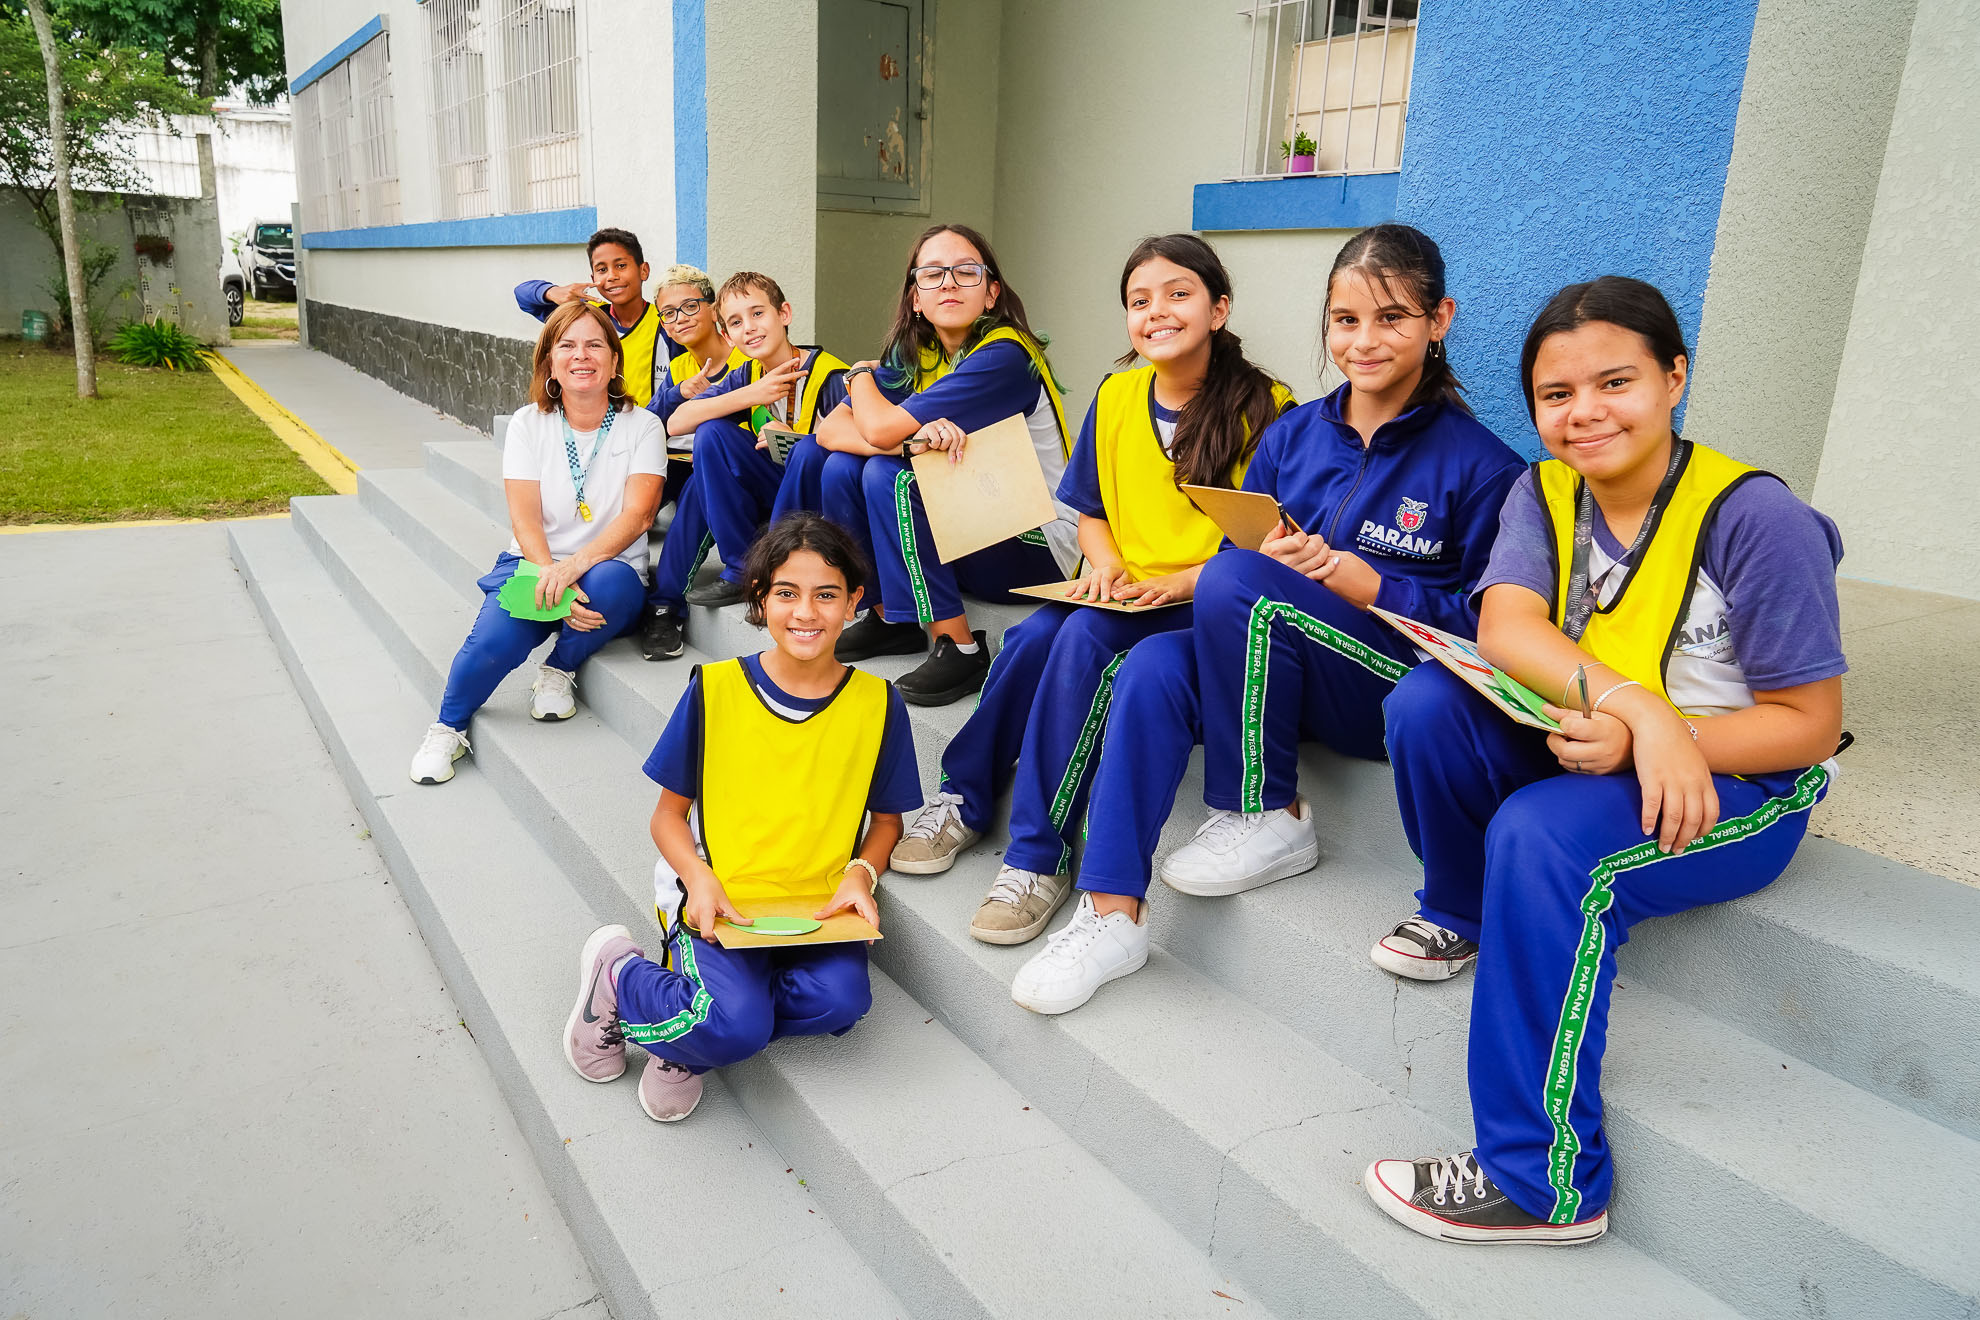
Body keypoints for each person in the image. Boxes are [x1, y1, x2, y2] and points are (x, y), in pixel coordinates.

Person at [1363, 276, 1846, 1245]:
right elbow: (1506, 626)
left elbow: (1808, 724)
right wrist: (1634, 713)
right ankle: (1462, 913)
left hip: (1740, 782)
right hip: (1609, 739)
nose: (1584, 412)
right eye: (1556, 394)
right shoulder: (1545, 493)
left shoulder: (1756, 518)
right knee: (1425, 706)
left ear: (1675, 378)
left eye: (1614, 382)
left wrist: (1670, 736)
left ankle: (1545, 1181)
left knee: (1540, 837)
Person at [1009, 224, 1523, 1015]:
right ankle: (1112, 912)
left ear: (1439, 320)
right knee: (1152, 666)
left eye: (1392, 318)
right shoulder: (1295, 434)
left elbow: (1490, 628)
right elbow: (1234, 559)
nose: (1364, 341)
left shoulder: (1483, 467)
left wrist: (1372, 586)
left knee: (1240, 578)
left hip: (1387, 687)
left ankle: (1266, 808)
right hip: (1278, 673)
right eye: (1346, 320)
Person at [890, 234, 1294, 948]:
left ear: (1219, 308)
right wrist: (1103, 565)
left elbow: (1264, 542)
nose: (1156, 312)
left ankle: (1035, 860)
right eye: (1139, 301)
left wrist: (1179, 581)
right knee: (1029, 641)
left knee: (1073, 640)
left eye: (1178, 294)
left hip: (1201, 607)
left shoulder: (1267, 408)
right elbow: (1092, 513)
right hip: (1121, 594)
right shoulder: (1117, 394)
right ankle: (965, 796)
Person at [559, 513, 922, 1122]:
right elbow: (667, 818)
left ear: (854, 601)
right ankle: (622, 977)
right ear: (760, 598)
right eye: (787, 593)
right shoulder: (715, 689)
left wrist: (861, 873)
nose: (806, 612)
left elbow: (887, 822)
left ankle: (695, 1023)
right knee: (739, 1024)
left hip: (814, 905)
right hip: (720, 895)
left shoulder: (879, 703)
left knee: (842, 1003)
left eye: (826, 595)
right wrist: (699, 879)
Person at [817, 223, 1079, 706]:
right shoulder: (925, 353)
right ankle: (890, 617)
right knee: (840, 468)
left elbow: (877, 429)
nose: (949, 283)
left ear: (992, 292)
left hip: (1039, 547)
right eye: (933, 274)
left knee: (889, 476)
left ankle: (960, 646)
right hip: (979, 530)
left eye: (965, 272)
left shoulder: (1004, 357)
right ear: (916, 297)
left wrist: (857, 376)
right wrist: (907, 443)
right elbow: (830, 431)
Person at [409, 301, 666, 784]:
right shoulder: (529, 424)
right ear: (549, 361)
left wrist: (572, 571)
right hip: (535, 562)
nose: (581, 355)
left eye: (595, 345)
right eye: (567, 345)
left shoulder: (643, 426)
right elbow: (524, 517)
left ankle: (559, 667)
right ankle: (448, 727)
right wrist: (551, 576)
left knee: (611, 584)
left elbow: (640, 515)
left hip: (606, 568)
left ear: (615, 360)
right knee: (491, 642)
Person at [654, 273, 851, 616]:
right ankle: (741, 569)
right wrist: (752, 394)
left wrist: (799, 440)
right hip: (774, 494)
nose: (749, 328)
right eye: (735, 322)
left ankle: (776, 570)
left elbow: (856, 450)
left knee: (809, 451)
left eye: (757, 313)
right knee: (712, 432)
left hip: (822, 510)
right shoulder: (748, 374)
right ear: (727, 334)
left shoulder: (830, 376)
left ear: (784, 314)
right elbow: (677, 422)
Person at [635, 264, 750, 661]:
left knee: (701, 480)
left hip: (745, 476)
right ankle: (619, 574)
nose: (679, 319)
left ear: (713, 308)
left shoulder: (746, 355)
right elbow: (646, 425)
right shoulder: (680, 367)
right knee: (635, 471)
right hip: (685, 462)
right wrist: (678, 393)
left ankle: (665, 605)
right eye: (668, 313)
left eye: (689, 306)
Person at [514, 227, 673, 407]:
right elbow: (522, 295)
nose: (612, 276)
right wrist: (553, 292)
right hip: (592, 421)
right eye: (602, 269)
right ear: (593, 278)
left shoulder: (666, 323)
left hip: (649, 421)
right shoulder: (586, 315)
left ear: (644, 270)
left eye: (621, 266)